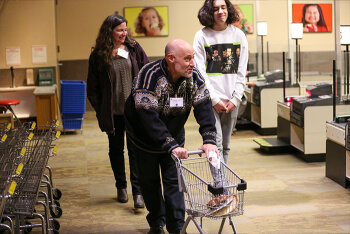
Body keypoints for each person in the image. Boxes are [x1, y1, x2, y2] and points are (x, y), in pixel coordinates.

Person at [124, 39, 219, 234]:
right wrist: (170, 144)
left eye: (192, 58)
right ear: (170, 58)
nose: (193, 63)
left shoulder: (194, 77)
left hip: (174, 136)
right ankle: (156, 223)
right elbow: (147, 118)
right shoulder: (149, 76)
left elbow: (204, 107)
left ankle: (177, 227)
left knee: (174, 183)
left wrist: (209, 140)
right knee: (149, 183)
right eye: (187, 59)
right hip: (144, 139)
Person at [87, 14, 149, 209]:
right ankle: (121, 187)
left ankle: (138, 192)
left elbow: (146, 70)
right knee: (116, 150)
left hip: (134, 112)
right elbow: (93, 88)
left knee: (135, 151)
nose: (124, 33)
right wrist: (101, 110)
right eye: (119, 30)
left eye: (125, 29)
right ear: (110, 32)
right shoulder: (98, 55)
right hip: (113, 114)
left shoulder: (134, 48)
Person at [193, 0, 248, 164]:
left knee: (226, 145)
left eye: (223, 7)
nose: (220, 12)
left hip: (232, 100)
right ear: (209, 12)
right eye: (215, 9)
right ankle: (221, 187)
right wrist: (214, 99)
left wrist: (236, 98)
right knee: (215, 145)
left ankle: (222, 184)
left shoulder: (238, 35)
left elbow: (241, 70)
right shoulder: (201, 36)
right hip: (211, 101)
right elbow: (200, 72)